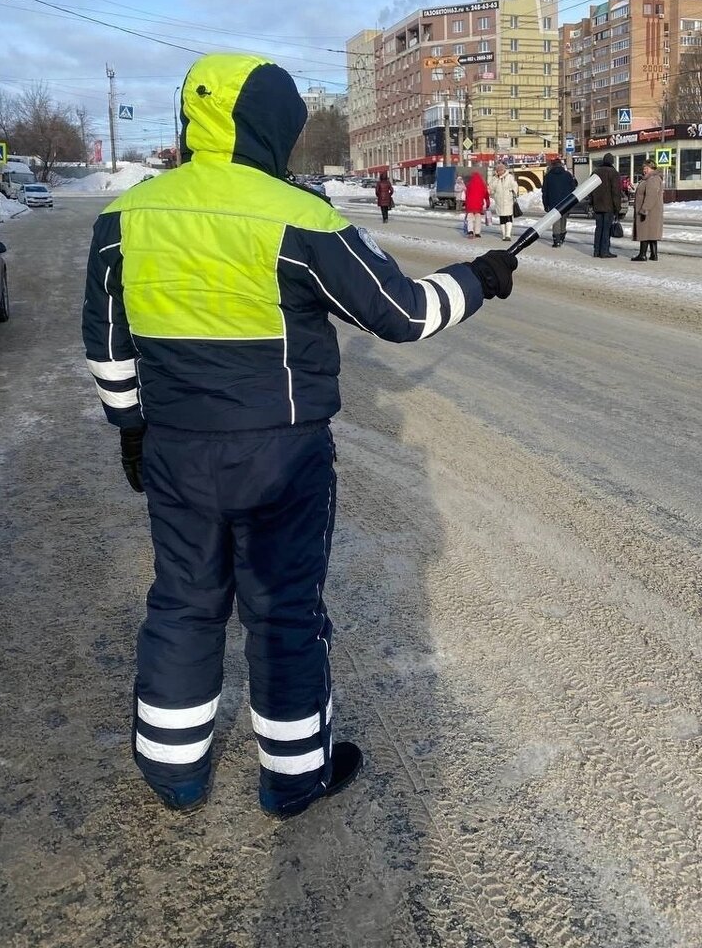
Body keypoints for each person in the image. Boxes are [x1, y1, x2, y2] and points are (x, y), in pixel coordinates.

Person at [81, 53, 518, 819]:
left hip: (177, 447)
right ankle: (291, 779)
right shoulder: (302, 216)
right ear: (276, 126)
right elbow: (405, 315)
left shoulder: (129, 215)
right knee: (283, 610)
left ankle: (173, 772)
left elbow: (107, 343)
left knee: (184, 601)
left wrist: (129, 428)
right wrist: (480, 278)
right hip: (282, 454)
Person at [631, 159, 665, 261]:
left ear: (651, 168)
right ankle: (654, 254)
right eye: (644, 168)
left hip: (649, 211)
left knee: (645, 232)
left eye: (646, 168)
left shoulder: (653, 179)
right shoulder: (649, 178)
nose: (644, 170)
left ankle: (642, 255)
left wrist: (644, 209)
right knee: (651, 233)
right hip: (652, 211)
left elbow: (651, 195)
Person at [590, 152, 622, 258]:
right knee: (606, 229)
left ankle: (596, 251)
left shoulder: (595, 172)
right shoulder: (614, 173)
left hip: (597, 205)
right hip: (609, 206)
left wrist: (592, 202)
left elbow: (590, 189)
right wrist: (617, 207)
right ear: (612, 162)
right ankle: (604, 251)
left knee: (598, 228)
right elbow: (616, 192)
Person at [541, 157, 577, 247]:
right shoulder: (567, 175)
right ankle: (562, 236)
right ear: (561, 165)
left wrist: (545, 204)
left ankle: (556, 240)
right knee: (563, 219)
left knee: (556, 220)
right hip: (566, 202)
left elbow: (544, 192)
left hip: (553, 203)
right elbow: (573, 188)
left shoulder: (548, 176)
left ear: (552, 166)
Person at [489, 161, 520, 242]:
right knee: (502, 218)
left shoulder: (509, 177)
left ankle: (508, 235)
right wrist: (496, 179)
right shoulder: (494, 179)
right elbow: (491, 189)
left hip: (508, 200)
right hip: (499, 201)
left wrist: (513, 192)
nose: (499, 172)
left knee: (508, 216)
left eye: (500, 170)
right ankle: (503, 235)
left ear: (504, 170)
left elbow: (515, 186)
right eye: (498, 170)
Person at [464, 169, 490, 239]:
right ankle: (477, 233)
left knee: (470, 219)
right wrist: (488, 203)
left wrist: (465, 204)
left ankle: (470, 231)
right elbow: (486, 195)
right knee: (478, 218)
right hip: (479, 205)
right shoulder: (482, 185)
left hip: (470, 205)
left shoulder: (469, 185)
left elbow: (466, 195)